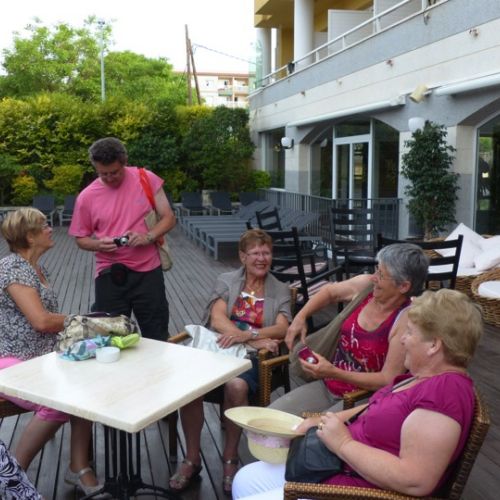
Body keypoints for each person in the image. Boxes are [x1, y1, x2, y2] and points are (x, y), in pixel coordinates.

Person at [232, 288, 483, 499]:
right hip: (336, 466)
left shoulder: (445, 392)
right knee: (245, 479)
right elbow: (373, 407)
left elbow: (415, 481)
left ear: (434, 345)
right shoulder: (421, 379)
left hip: (353, 488)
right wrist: (320, 421)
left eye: (409, 332)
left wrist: (344, 444)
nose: (402, 340)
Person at [169, 229, 292, 495]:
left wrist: (249, 337)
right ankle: (192, 458)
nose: (262, 258)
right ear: (242, 256)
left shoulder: (280, 289)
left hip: (254, 358)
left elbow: (282, 328)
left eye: (266, 252)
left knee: (236, 386)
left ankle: (230, 458)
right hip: (222, 350)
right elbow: (217, 319)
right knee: (190, 385)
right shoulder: (226, 280)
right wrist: (252, 338)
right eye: (255, 252)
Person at [0, 208, 100, 495]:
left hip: (40, 357)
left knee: (87, 383)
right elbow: (41, 321)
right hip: (10, 357)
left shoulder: (38, 268)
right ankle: (12, 478)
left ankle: (78, 467)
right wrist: (85, 321)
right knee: (57, 401)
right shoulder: (12, 268)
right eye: (44, 225)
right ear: (30, 236)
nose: (50, 228)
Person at [270, 243, 429, 416]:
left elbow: (387, 379)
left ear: (403, 286)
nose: (374, 277)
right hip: (329, 384)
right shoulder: (366, 287)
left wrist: (334, 372)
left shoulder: (405, 320)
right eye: (376, 269)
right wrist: (300, 317)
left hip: (364, 397)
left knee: (314, 430)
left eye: (381, 274)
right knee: (272, 415)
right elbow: (329, 292)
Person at [69, 137, 176, 340]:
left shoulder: (145, 179)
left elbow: (169, 218)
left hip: (148, 271)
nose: (109, 178)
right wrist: (99, 244)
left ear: (124, 162)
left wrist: (147, 237)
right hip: (109, 274)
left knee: (157, 333)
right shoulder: (86, 197)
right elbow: (81, 239)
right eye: (103, 174)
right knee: (110, 337)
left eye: (115, 172)